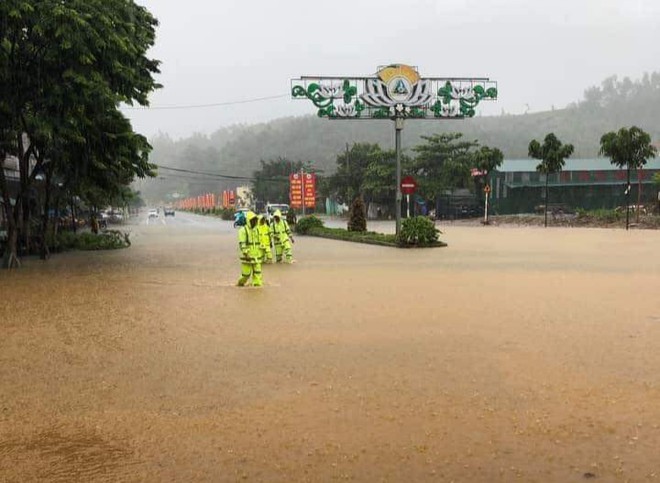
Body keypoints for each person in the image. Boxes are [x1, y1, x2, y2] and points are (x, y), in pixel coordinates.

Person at [237, 211, 263, 287]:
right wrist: (246, 253)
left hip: (256, 257)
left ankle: (257, 288)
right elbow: (242, 243)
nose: (254, 222)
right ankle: (240, 284)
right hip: (247, 256)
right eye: (252, 220)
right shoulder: (243, 230)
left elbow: (259, 242)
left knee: (257, 273)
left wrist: (262, 254)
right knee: (246, 275)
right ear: (249, 220)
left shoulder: (257, 230)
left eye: (255, 220)